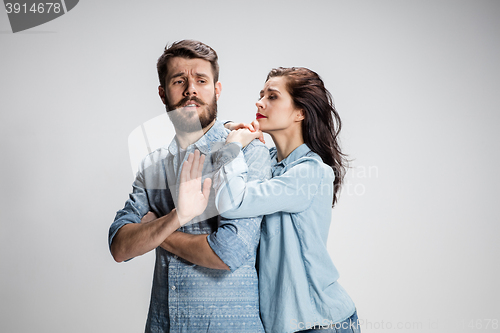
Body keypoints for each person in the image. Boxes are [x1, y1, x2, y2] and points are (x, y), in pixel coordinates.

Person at [108, 40, 271, 333]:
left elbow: (229, 252)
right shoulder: (152, 167)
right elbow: (120, 246)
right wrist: (177, 217)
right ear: (162, 93)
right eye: (179, 81)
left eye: (201, 80)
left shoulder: (248, 151)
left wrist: (159, 229)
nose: (190, 90)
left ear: (216, 89)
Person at [181, 67, 360, 333]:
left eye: (272, 96)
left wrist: (234, 146)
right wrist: (231, 128)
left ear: (301, 112)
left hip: (320, 322)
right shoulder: (268, 163)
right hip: (282, 326)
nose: (260, 102)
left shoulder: (310, 172)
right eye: (261, 94)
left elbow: (232, 203)